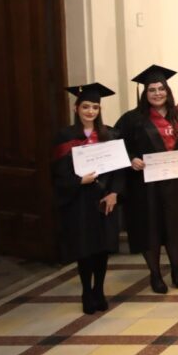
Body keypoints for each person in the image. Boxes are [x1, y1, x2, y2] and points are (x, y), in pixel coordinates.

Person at [115, 66, 178, 294]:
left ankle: (177, 270)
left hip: (177, 185)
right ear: (145, 93)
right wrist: (131, 159)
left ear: (168, 91)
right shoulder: (132, 119)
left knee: (175, 227)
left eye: (161, 89)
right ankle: (155, 274)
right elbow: (116, 146)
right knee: (149, 228)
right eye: (152, 90)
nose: (157, 93)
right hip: (145, 186)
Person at [53, 83, 123, 315]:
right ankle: (86, 291)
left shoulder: (109, 134)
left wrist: (114, 193)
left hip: (104, 199)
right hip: (79, 201)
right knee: (85, 248)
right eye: (86, 107)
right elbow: (58, 172)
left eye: (95, 107)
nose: (90, 111)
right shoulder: (65, 137)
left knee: (102, 248)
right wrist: (77, 182)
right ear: (76, 108)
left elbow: (118, 170)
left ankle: (99, 290)